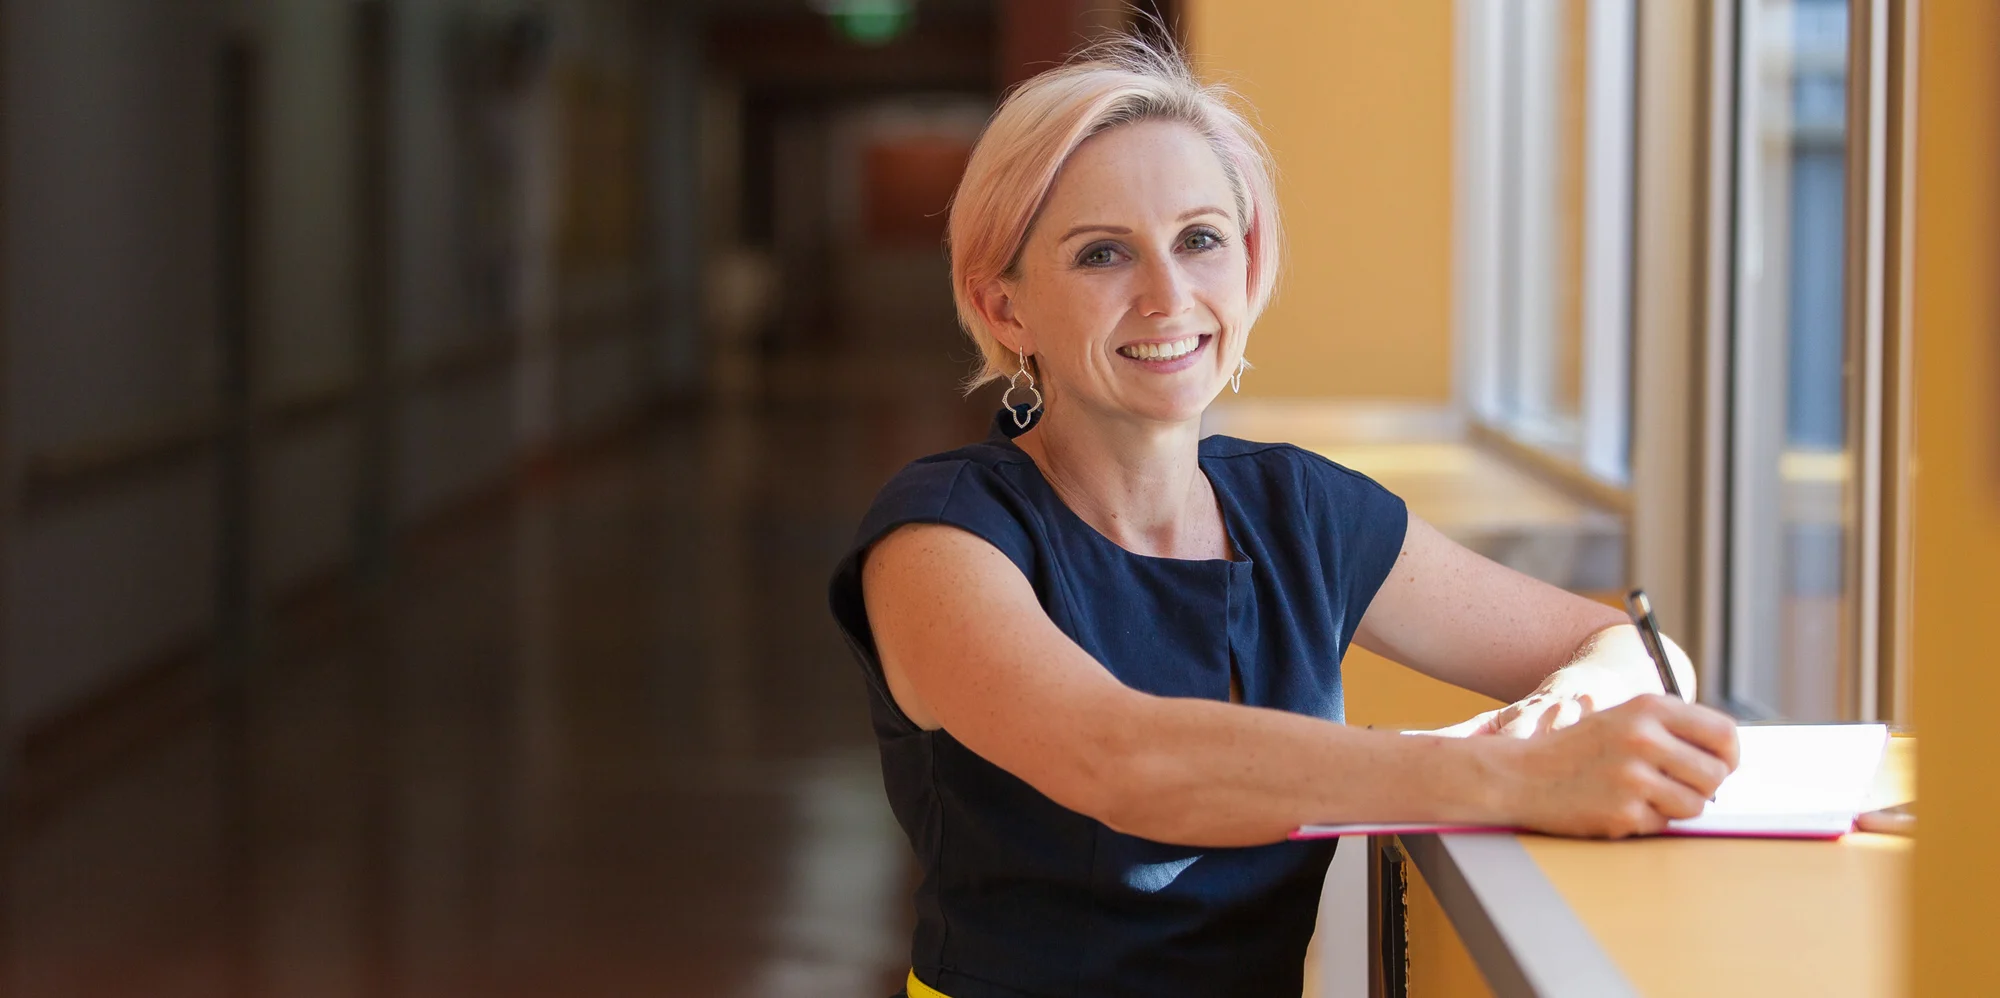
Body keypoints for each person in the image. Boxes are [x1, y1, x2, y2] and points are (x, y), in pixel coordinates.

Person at [828, 33, 1739, 998]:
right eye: (1103, 254)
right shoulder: (937, 538)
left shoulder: (1300, 510)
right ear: (1003, 308)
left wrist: (1569, 712)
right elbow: (1126, 761)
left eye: (1201, 240)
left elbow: (1635, 648)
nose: (1169, 296)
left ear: (1248, 262)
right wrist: (1515, 777)